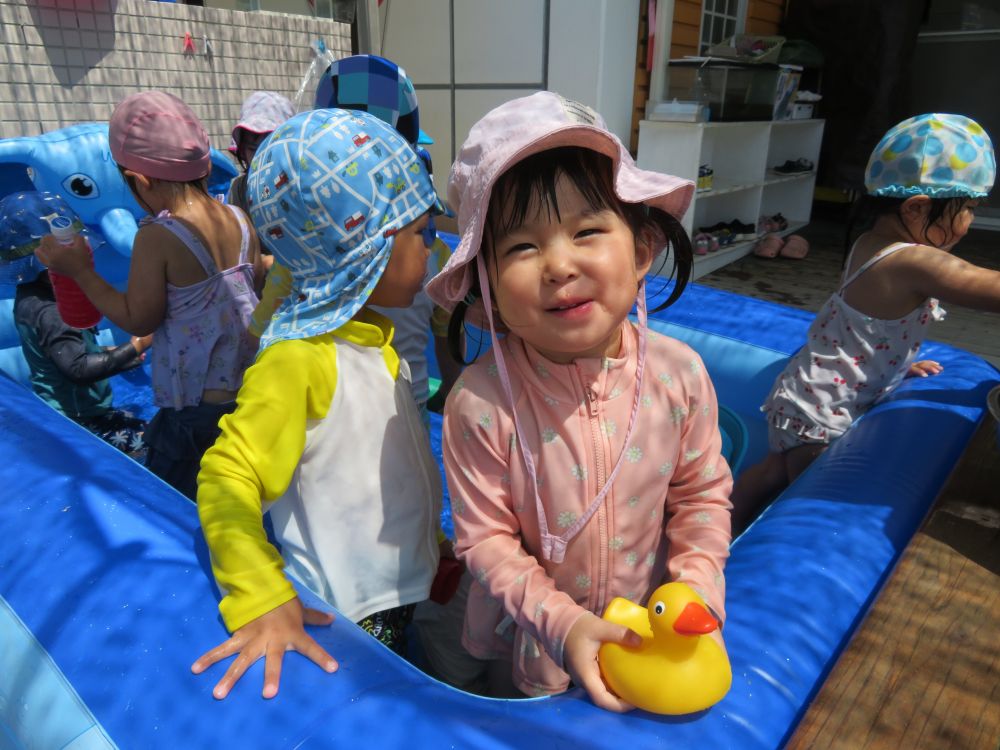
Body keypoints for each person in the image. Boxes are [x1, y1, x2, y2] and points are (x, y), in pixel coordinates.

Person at [422, 92, 733, 710]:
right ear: (485, 284)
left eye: (588, 230)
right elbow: (485, 542)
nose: (559, 265)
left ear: (642, 250)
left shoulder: (679, 377)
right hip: (530, 636)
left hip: (641, 627)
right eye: (520, 247)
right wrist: (562, 626)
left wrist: (695, 590)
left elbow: (700, 495)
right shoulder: (481, 404)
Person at [190, 108, 443, 700]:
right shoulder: (298, 361)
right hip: (350, 615)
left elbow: (376, 475)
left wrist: (432, 543)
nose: (432, 251)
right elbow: (227, 475)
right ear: (363, 248)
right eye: (422, 234)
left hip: (398, 590)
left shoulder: (371, 340)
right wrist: (260, 593)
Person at [731, 113, 1000, 533]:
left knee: (771, 471)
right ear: (917, 208)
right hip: (822, 412)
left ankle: (712, 525)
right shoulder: (913, 260)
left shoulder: (870, 243)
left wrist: (891, 366)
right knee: (807, 507)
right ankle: (746, 552)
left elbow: (862, 331)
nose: (969, 220)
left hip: (806, 392)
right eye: (966, 207)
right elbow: (980, 285)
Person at [36, 91, 265, 500]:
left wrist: (81, 271)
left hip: (195, 412)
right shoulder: (237, 216)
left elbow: (138, 319)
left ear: (140, 180)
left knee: (169, 503)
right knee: (239, 497)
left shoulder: (159, 235)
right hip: (250, 391)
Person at [248, 54, 461, 416]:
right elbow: (446, 341)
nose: (424, 241)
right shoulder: (438, 256)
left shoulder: (298, 265)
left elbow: (257, 338)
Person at [0, 191, 150, 458]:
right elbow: (78, 369)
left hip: (73, 411)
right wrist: (135, 345)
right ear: (47, 263)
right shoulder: (51, 311)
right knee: (158, 443)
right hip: (79, 423)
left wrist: (115, 355)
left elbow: (63, 352)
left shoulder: (34, 295)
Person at [226, 91, 296, 214]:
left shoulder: (299, 183)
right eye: (253, 149)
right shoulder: (240, 189)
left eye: (270, 148)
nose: (262, 157)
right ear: (242, 151)